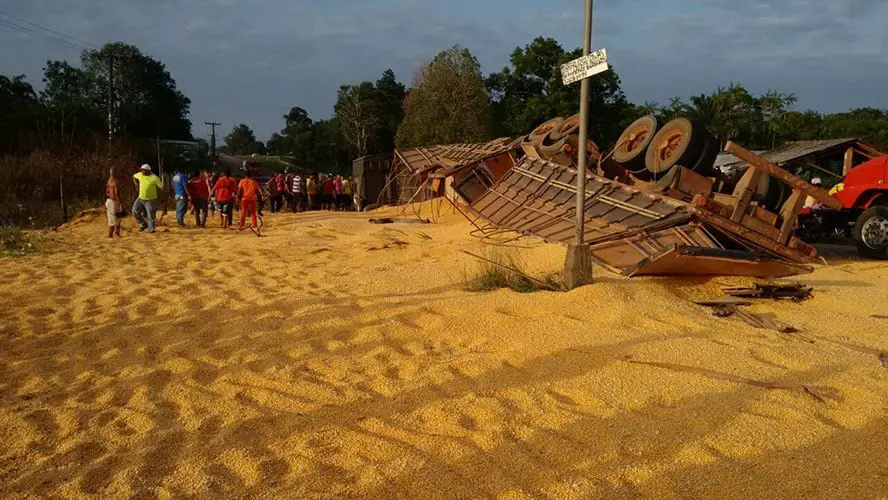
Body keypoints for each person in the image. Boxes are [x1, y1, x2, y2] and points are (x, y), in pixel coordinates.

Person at [132, 163, 163, 233]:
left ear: (148, 170)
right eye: (141, 170)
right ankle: (143, 224)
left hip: (151, 199)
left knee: (150, 215)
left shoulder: (154, 178)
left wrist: (161, 197)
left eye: (143, 170)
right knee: (135, 211)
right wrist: (136, 184)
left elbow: (161, 187)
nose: (141, 171)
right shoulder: (139, 175)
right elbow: (134, 176)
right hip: (140, 198)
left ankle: (151, 229)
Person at [237, 170, 262, 235]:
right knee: (253, 212)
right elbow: (258, 190)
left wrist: (238, 198)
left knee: (243, 211)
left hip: (244, 199)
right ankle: (254, 225)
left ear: (244, 175)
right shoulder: (254, 182)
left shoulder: (242, 181)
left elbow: (239, 191)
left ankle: (241, 225)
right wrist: (260, 196)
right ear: (250, 175)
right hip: (252, 199)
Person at [105, 167, 123, 238]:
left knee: (111, 220)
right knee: (117, 219)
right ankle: (116, 234)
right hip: (114, 202)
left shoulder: (109, 180)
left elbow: (107, 192)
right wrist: (120, 203)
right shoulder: (115, 182)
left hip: (109, 201)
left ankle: (111, 235)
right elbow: (116, 194)